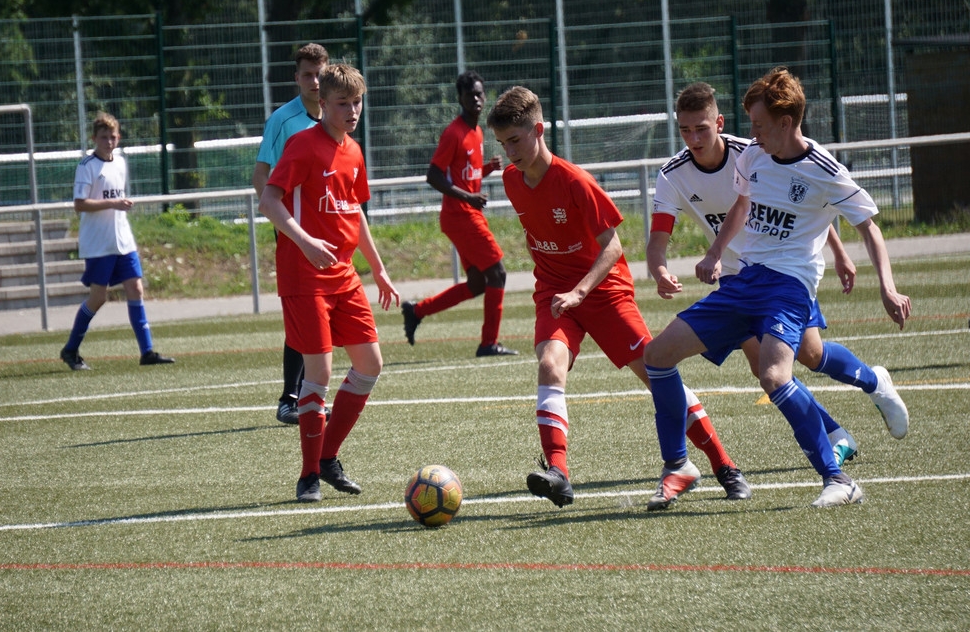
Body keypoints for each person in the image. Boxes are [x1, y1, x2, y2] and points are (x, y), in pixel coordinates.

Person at [643, 67, 911, 510]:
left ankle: (838, 479)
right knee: (657, 355)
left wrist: (887, 287)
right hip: (744, 279)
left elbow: (869, 227)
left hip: (790, 285)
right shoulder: (753, 156)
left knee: (774, 374)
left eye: (759, 125)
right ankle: (678, 465)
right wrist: (714, 253)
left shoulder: (823, 168)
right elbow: (743, 206)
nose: (752, 134)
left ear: (785, 123)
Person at [486, 86, 751, 508]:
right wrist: (565, 290)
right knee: (550, 364)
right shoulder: (511, 181)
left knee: (656, 374)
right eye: (502, 144)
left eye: (515, 140)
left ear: (538, 130)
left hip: (604, 292)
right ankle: (558, 473)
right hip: (555, 295)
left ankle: (724, 465)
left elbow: (612, 247)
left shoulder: (575, 181)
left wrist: (580, 290)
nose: (510, 152)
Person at [258, 63, 400, 503]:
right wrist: (303, 241)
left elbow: (355, 212)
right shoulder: (303, 145)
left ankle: (327, 456)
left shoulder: (353, 151)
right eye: (343, 103)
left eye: (357, 102)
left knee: (370, 365)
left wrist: (378, 269)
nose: (352, 111)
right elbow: (268, 201)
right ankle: (308, 477)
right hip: (305, 278)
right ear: (323, 104)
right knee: (318, 373)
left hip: (344, 276)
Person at [401, 70, 518, 357]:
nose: (476, 99)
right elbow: (434, 175)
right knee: (498, 274)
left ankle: (416, 311)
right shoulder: (454, 133)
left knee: (478, 283)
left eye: (479, 94)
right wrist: (468, 197)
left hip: (465, 214)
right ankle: (488, 343)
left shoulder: (477, 131)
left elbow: (466, 176)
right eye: (470, 95)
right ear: (460, 99)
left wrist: (487, 169)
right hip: (460, 215)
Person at [59, 112, 175, 371]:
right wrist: (113, 203)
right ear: (94, 138)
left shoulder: (120, 163)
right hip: (98, 243)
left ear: (118, 138)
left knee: (136, 288)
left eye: (112, 137)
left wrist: (119, 205)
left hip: (123, 240)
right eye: (104, 137)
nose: (109, 142)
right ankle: (70, 349)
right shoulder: (87, 166)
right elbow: (80, 204)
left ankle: (147, 352)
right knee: (98, 297)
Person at [252, 42, 329, 425]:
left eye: (320, 74)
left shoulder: (337, 116)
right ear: (296, 78)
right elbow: (261, 176)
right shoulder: (283, 120)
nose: (314, 82)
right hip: (297, 235)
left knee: (322, 314)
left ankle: (309, 396)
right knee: (304, 315)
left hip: (328, 233)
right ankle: (291, 398)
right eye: (307, 75)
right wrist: (286, 226)